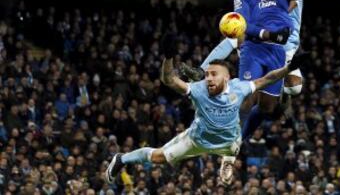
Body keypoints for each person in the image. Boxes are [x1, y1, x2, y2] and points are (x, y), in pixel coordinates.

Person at [105, 33, 308, 186]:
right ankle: (122, 159)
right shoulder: (199, 89)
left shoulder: (240, 86)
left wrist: (289, 69)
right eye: (208, 74)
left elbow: (268, 78)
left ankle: (227, 160)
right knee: (160, 158)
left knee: (235, 144)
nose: (209, 77)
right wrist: (168, 57)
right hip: (196, 140)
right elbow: (169, 80)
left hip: (228, 142)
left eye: (214, 74)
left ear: (227, 77)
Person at [180, 0, 324, 140]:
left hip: (287, 47)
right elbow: (259, 14)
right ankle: (201, 72)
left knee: (294, 89)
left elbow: (284, 6)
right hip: (261, 43)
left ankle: (281, 96)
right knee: (235, 40)